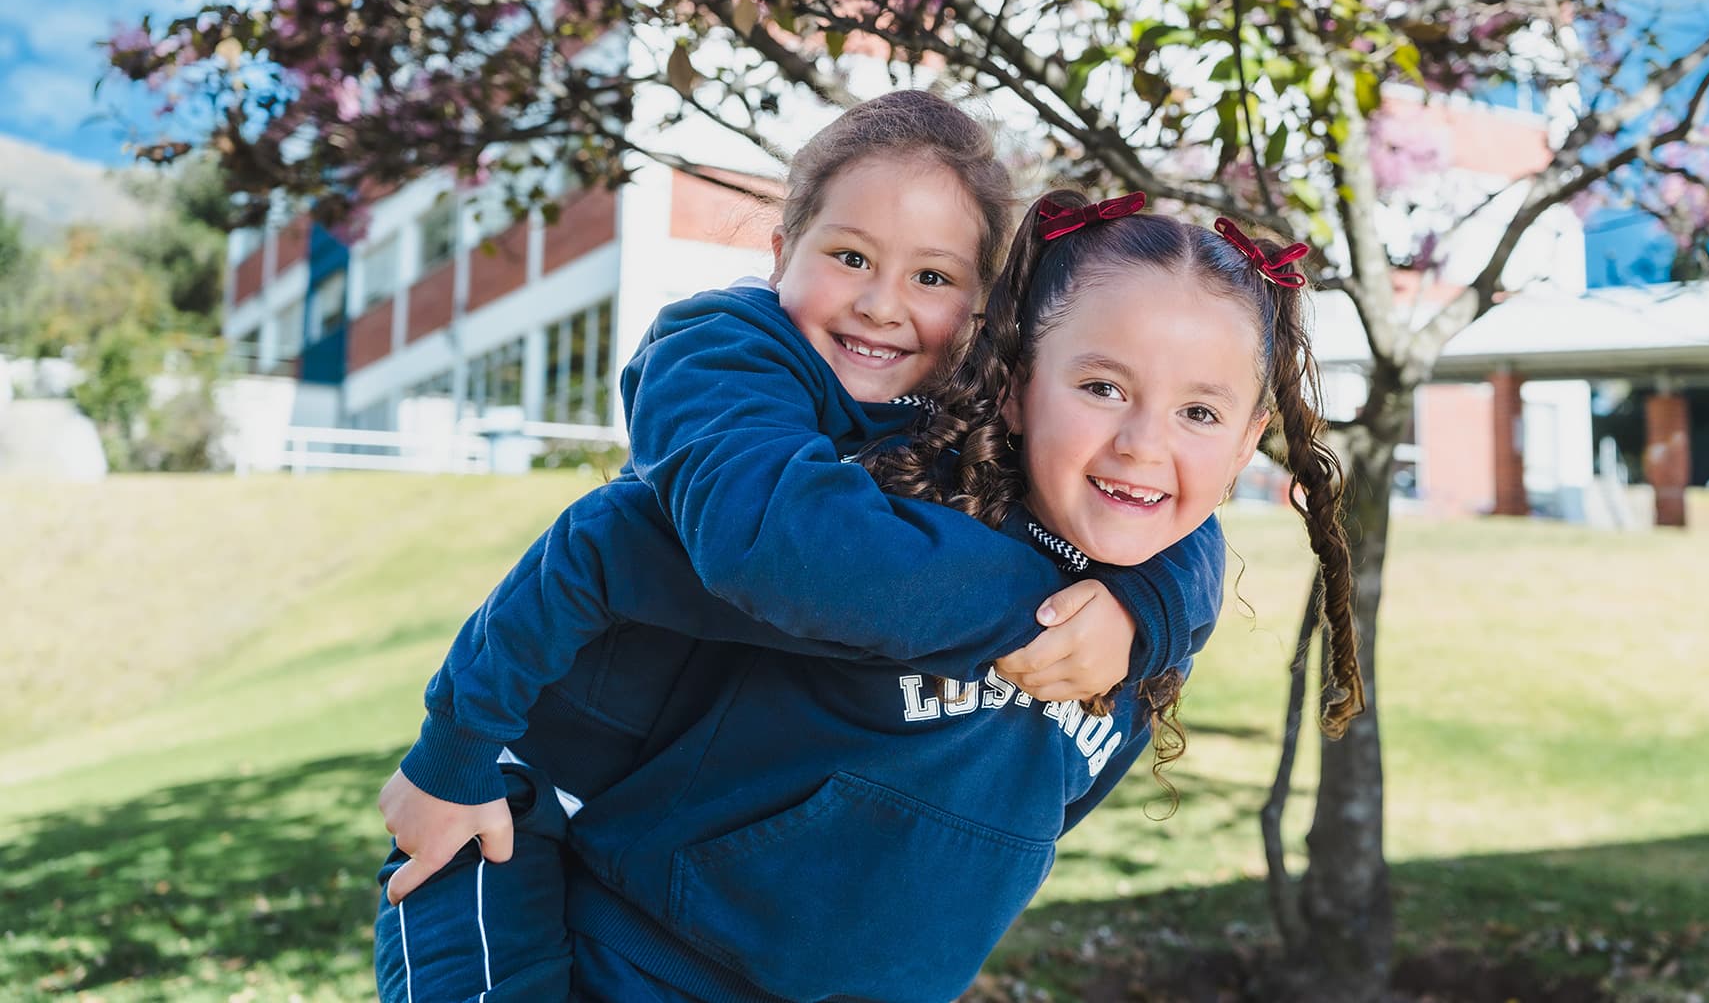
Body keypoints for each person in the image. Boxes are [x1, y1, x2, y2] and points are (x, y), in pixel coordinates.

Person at [374, 94, 1227, 1002]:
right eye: (850, 255)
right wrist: (456, 748)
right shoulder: (727, 363)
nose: (881, 303)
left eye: (934, 278)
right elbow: (728, 548)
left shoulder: (993, 468)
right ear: (782, 252)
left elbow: (1166, 510)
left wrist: (1147, 605)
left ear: (985, 314)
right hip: (524, 816)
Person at [551, 192, 1364, 1002]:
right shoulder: (896, 516)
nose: (1143, 444)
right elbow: (610, 546)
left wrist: (1148, 610)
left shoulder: (1143, 624)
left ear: (1247, 440)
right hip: (646, 965)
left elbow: (1027, 822)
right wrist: (465, 737)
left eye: (1198, 411)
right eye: (1103, 388)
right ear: (1016, 386)